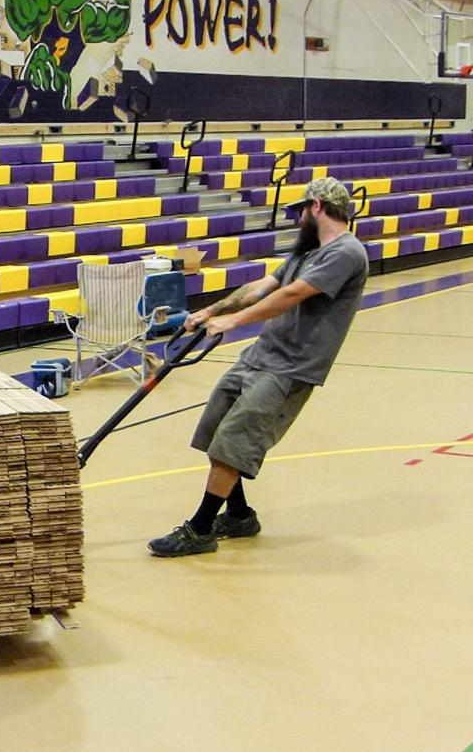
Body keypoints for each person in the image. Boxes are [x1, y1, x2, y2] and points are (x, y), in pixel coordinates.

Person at [148, 176, 369, 558]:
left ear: (315, 207)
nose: (298, 220)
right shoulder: (306, 252)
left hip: (290, 367)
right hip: (262, 354)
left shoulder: (347, 253)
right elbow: (263, 287)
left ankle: (200, 530)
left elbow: (293, 294)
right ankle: (238, 515)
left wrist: (234, 322)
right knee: (216, 428)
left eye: (301, 211)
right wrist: (211, 311)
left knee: (236, 441)